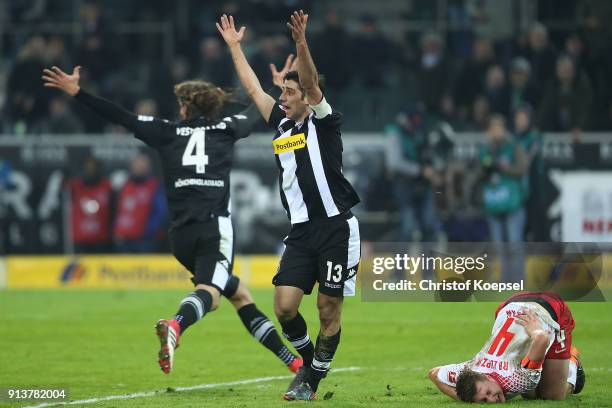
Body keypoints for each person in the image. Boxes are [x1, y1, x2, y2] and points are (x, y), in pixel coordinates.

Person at [42, 66, 302, 374]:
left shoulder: (165, 132)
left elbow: (121, 116)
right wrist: (274, 90)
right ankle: (175, 325)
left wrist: (78, 93)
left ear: (185, 107)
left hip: (180, 237)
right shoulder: (226, 128)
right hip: (212, 230)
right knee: (210, 294)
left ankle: (293, 361)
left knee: (236, 293)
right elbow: (256, 112)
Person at [218, 11, 361, 401]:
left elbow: (311, 83)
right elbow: (253, 91)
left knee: (329, 309)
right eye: (281, 93)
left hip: (336, 227)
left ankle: (309, 382)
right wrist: (235, 47)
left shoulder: (323, 121)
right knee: (284, 308)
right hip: (301, 232)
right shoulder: (281, 126)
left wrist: (301, 43)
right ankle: (313, 365)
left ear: (307, 99)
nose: (281, 98)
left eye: (288, 93)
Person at [429, 292, 585, 403]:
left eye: (488, 393)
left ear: (487, 376)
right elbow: (434, 374)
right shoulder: (469, 368)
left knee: (552, 395)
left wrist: (536, 330)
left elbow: (541, 338)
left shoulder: (517, 380)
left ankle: (572, 359)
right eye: (484, 401)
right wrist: (465, 398)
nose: (491, 400)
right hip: (509, 305)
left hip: (550, 311)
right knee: (530, 394)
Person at [479, 115, 527, 283]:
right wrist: (486, 169)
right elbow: (478, 174)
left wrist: (506, 168)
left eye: (498, 127)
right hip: (493, 202)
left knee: (514, 243)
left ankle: (518, 281)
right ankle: (504, 282)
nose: (496, 131)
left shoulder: (513, 146)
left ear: (504, 129)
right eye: (493, 128)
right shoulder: (484, 148)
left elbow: (522, 168)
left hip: (513, 202)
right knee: (499, 247)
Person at [113, 153, 167, 253]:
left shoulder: (154, 187)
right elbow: (120, 210)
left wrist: (147, 231)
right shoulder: (126, 186)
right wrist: (118, 230)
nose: (138, 168)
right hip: (124, 239)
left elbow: (161, 212)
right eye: (136, 165)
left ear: (148, 168)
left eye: (142, 166)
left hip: (144, 240)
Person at [68, 156, 113, 254]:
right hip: (81, 238)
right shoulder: (75, 186)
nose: (90, 170)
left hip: (101, 238)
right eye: (88, 168)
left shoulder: (106, 186)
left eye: (93, 168)